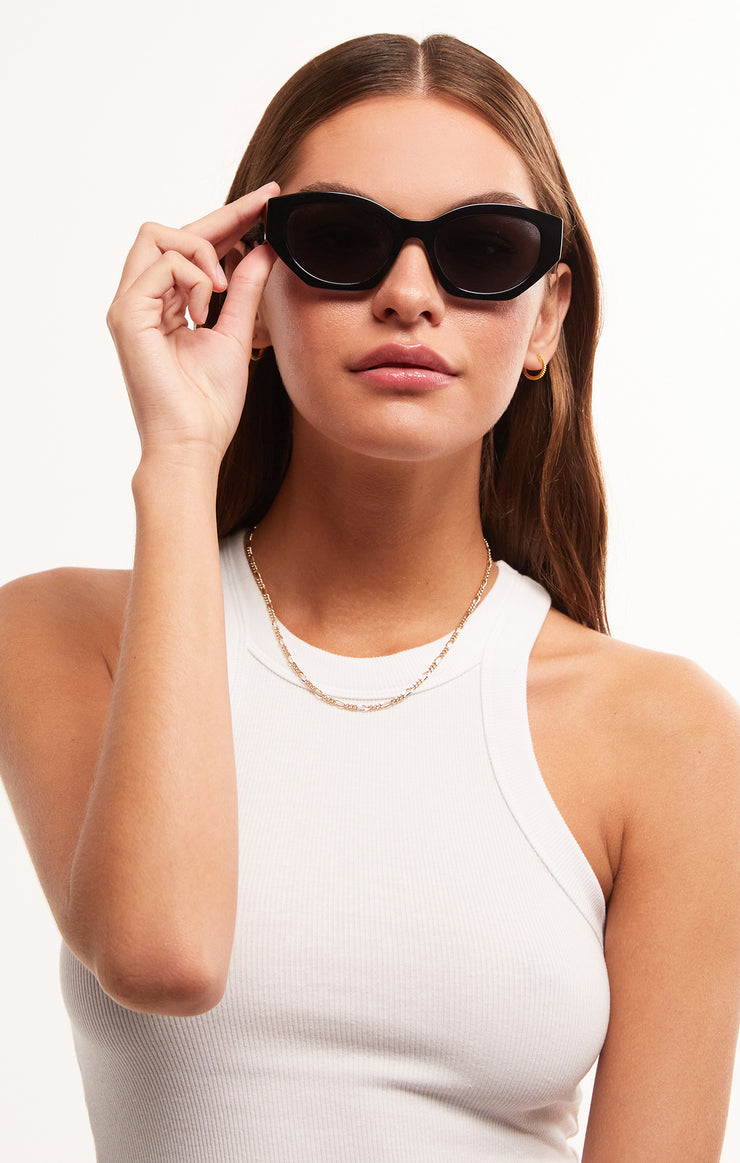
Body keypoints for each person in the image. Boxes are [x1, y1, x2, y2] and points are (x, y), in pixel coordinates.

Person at [0, 31, 738, 1163]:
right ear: (248, 284)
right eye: (341, 241)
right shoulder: (56, 636)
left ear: (545, 317)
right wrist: (179, 455)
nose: (408, 295)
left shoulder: (669, 736)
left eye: (480, 250)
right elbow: (163, 957)